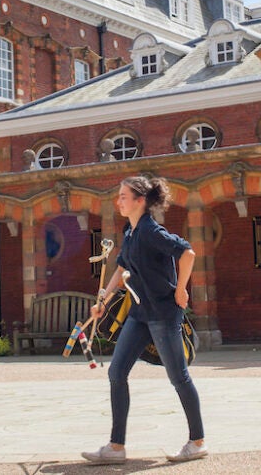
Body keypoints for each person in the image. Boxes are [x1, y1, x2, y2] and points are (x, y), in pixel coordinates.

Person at [81, 176, 207, 465]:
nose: (119, 201)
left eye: (124, 196)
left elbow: (187, 253)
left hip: (163, 314)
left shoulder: (151, 231)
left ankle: (197, 441)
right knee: (116, 373)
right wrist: (103, 300)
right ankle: (116, 447)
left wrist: (181, 288)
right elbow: (123, 265)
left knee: (179, 377)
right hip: (139, 314)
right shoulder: (131, 230)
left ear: (140, 201)